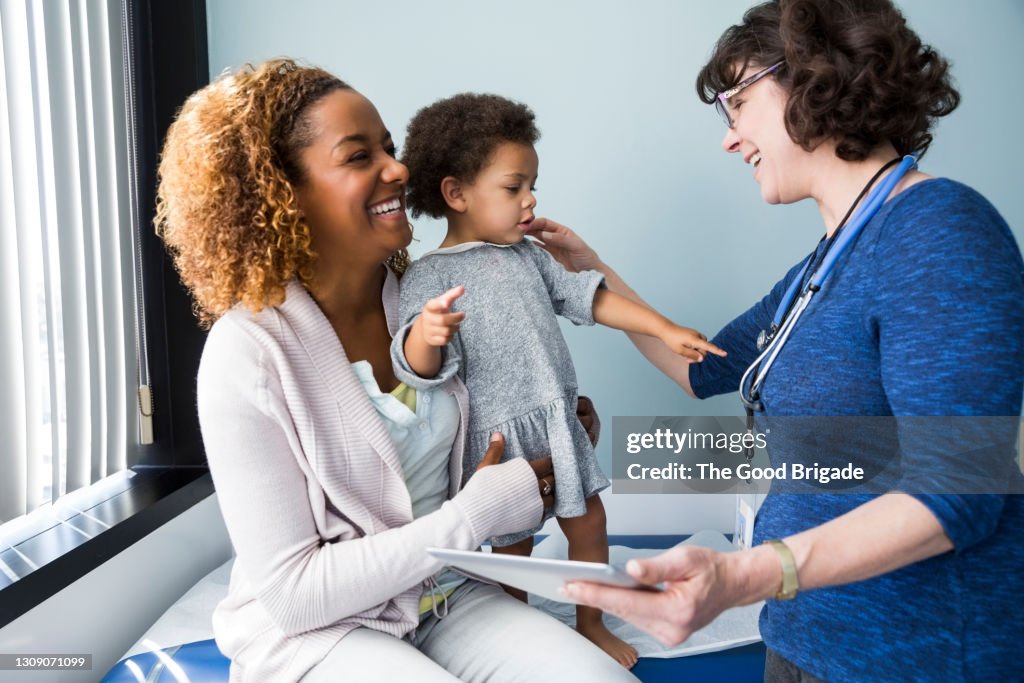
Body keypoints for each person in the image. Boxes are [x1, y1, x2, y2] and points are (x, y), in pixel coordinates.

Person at [526, 1, 1024, 680]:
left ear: (813, 77)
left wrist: (751, 572)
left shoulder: (938, 230)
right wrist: (591, 270)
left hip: (909, 654)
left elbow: (960, 489)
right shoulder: (816, 273)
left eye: (737, 102)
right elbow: (695, 367)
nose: (730, 137)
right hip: (799, 636)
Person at [155, 58, 641, 683]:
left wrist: (554, 433)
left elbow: (484, 425)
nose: (399, 168)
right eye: (359, 156)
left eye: (388, 146)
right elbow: (295, 593)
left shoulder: (422, 299)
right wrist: (473, 516)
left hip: (443, 595)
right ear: (281, 192)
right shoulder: (247, 351)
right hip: (318, 630)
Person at [391, 92, 726, 668]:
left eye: (532, 185)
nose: (531, 199)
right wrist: (427, 334)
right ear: (456, 193)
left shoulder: (531, 256)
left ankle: (590, 622)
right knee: (512, 551)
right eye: (514, 186)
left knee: (589, 522)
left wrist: (664, 327)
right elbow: (413, 369)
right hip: (499, 444)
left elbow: (593, 298)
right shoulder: (428, 277)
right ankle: (516, 636)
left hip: (555, 420)